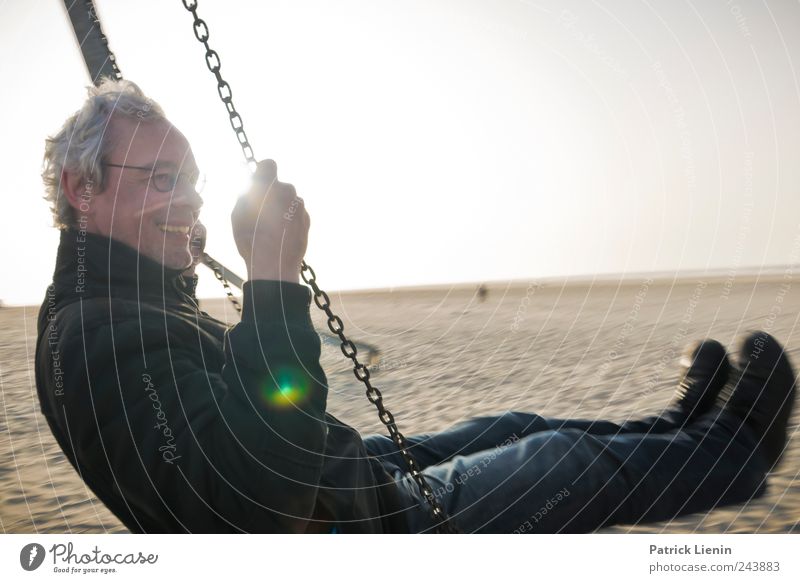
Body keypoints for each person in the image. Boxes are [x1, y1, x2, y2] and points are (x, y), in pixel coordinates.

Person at [35, 79, 796, 534]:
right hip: (348, 529)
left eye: (193, 179)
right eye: (161, 178)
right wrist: (271, 276)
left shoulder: (116, 295)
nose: (190, 200)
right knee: (556, 462)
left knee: (511, 428)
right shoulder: (92, 340)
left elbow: (223, 416)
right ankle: (734, 450)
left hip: (338, 481)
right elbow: (257, 501)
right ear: (83, 189)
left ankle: (677, 431)